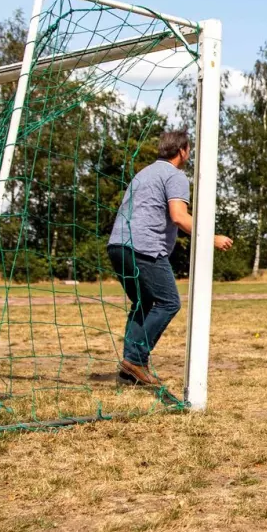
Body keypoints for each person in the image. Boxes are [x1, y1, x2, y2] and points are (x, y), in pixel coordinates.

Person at [106, 130, 232, 387]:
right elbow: (179, 216)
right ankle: (136, 360)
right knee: (168, 303)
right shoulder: (175, 176)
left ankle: (129, 369)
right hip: (144, 247)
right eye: (189, 150)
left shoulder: (144, 173)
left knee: (142, 303)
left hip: (117, 245)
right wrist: (212, 237)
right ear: (183, 150)